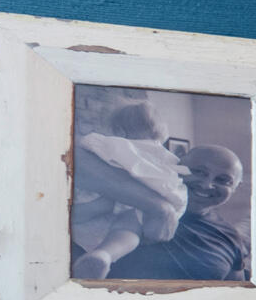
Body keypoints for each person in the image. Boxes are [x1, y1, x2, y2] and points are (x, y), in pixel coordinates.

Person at [71, 97, 187, 279]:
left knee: (83, 213)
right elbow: (177, 176)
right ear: (161, 132)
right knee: (126, 232)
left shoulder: (114, 144)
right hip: (146, 201)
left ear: (119, 129)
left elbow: (85, 147)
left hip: (110, 194)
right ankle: (103, 255)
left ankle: (77, 228)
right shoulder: (166, 156)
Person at [125, 144, 250, 282]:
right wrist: (159, 208)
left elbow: (234, 294)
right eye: (199, 172)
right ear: (177, 164)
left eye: (222, 180)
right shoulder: (132, 200)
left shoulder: (231, 238)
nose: (206, 184)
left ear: (235, 187)